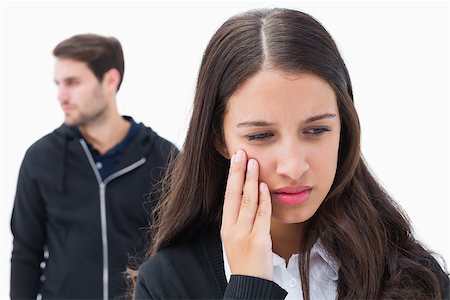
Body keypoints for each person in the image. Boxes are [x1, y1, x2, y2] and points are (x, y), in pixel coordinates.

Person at [133, 8, 449, 299]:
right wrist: (249, 285)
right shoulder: (167, 285)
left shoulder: (413, 276)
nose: (294, 167)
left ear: (344, 129)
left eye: (316, 130)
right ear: (219, 140)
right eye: (261, 135)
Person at [10, 33, 178, 300]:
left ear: (110, 80)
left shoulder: (163, 157)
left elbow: (181, 250)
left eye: (72, 83)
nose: (61, 96)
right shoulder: (40, 158)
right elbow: (25, 252)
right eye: (58, 84)